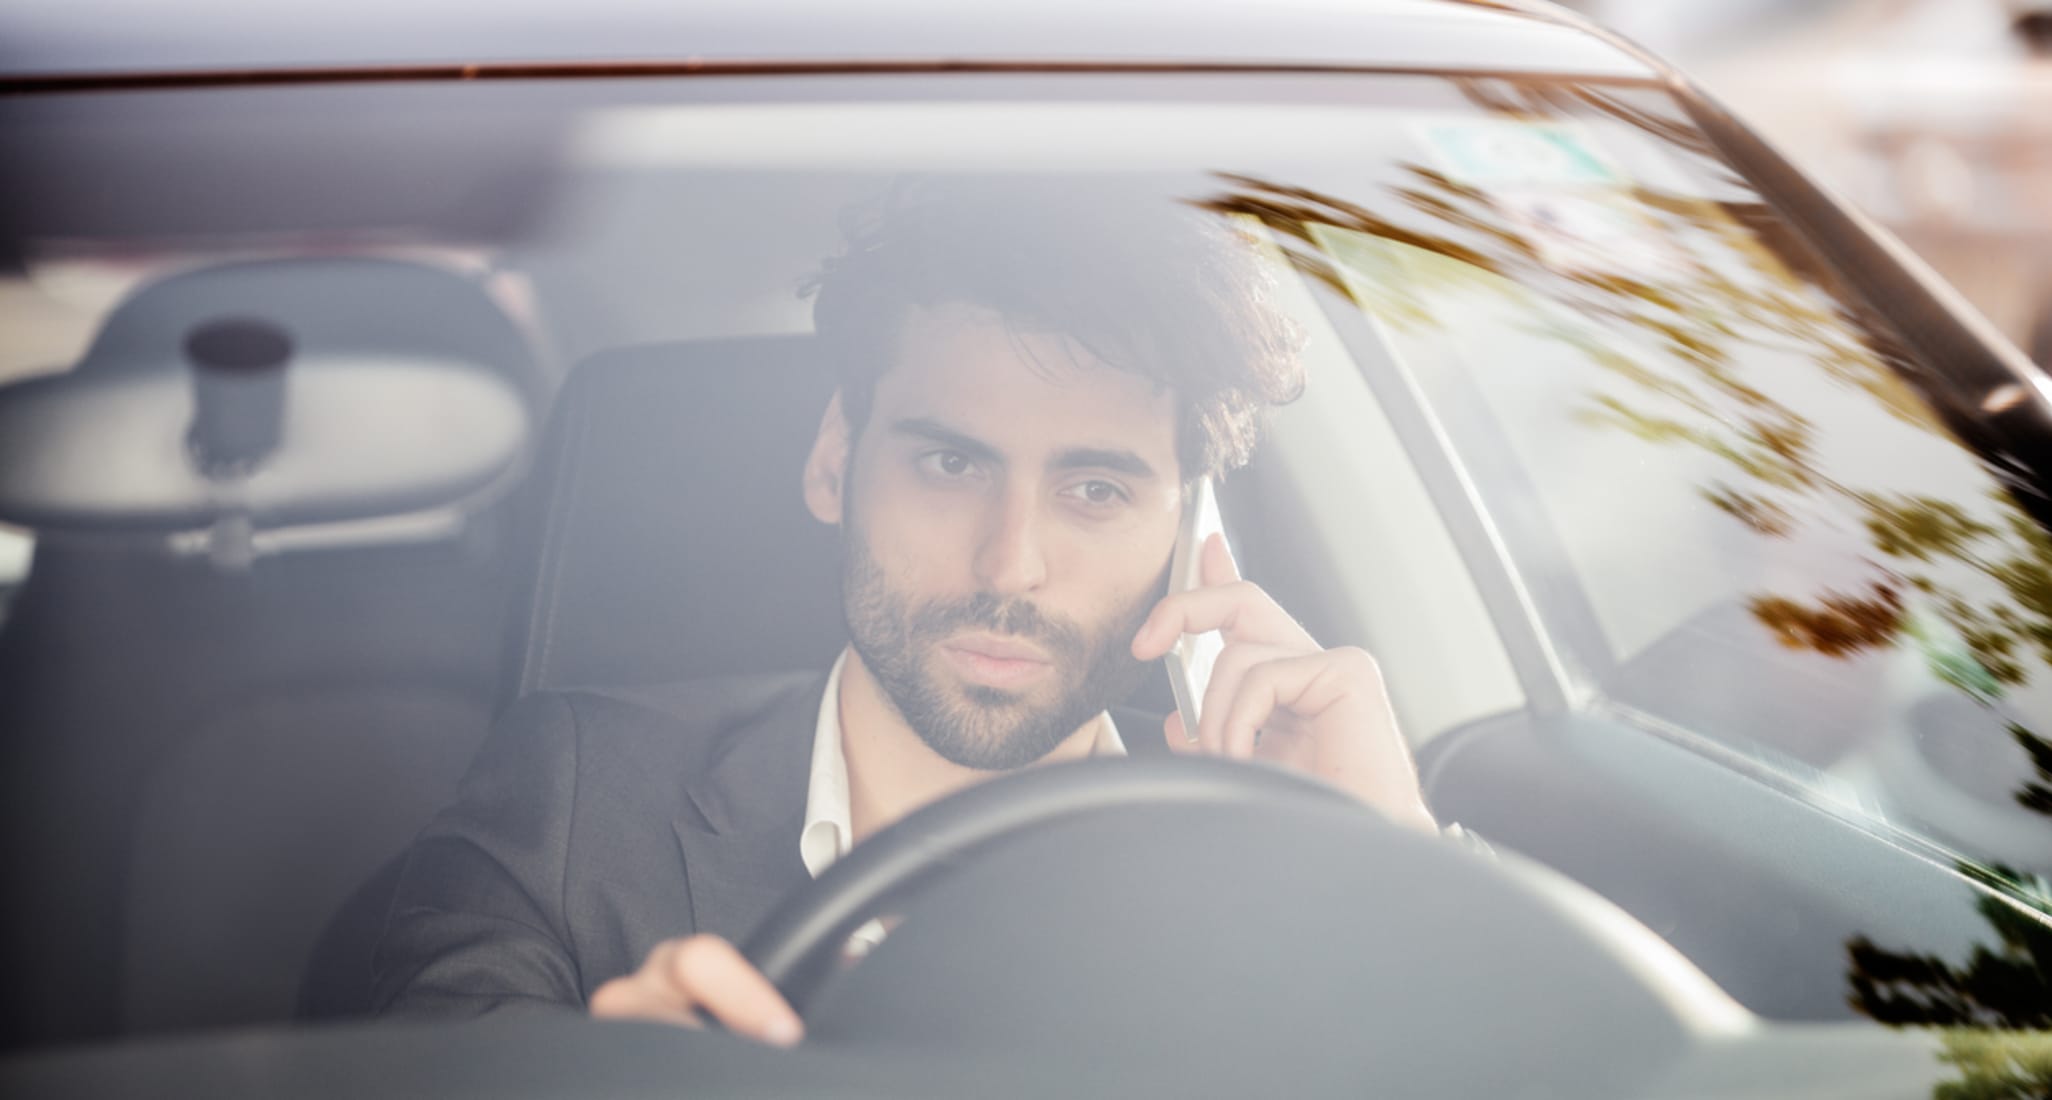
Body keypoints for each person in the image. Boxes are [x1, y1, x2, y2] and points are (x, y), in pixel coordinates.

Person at [371, 180, 1438, 1045]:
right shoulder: (576, 796)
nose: (1009, 563)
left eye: (1097, 489)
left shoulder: (1284, 861)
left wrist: (1409, 873)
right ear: (837, 459)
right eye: (948, 462)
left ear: (1189, 527)